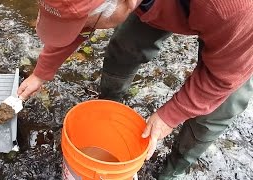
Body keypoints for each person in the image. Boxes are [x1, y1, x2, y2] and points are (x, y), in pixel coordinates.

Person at [17, 0, 253, 179]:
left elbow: (222, 78)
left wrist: (169, 116)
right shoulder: (115, 5)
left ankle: (174, 169)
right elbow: (77, 18)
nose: (85, 28)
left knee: (218, 109)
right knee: (125, 47)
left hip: (241, 31)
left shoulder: (230, 8)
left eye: (88, 23)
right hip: (163, 6)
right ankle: (109, 108)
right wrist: (41, 72)